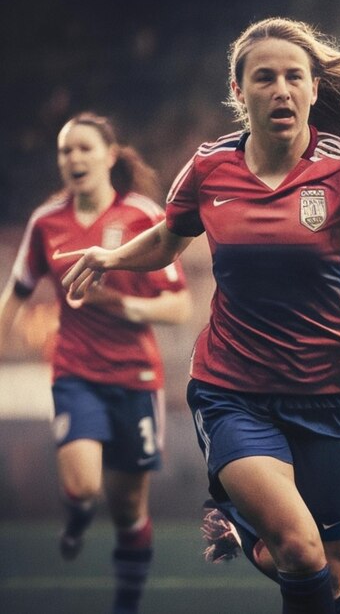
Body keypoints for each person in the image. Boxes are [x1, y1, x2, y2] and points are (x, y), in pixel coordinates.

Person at [58, 18, 340, 614]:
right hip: (233, 391)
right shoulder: (208, 167)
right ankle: (251, 519)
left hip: (328, 396)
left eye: (293, 77)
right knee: (302, 551)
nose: (280, 89)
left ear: (312, 90)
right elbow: (169, 239)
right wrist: (112, 256)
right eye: (264, 78)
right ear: (239, 93)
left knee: (327, 577)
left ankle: (243, 526)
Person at [0, 112, 192, 614]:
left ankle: (125, 604)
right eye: (65, 151)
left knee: (129, 507)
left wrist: (124, 305)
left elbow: (179, 307)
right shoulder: (47, 223)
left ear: (109, 156)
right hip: (75, 371)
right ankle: (78, 513)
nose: (74, 159)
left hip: (136, 377)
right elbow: (15, 294)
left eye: (84, 148)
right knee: (85, 484)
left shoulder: (144, 216)